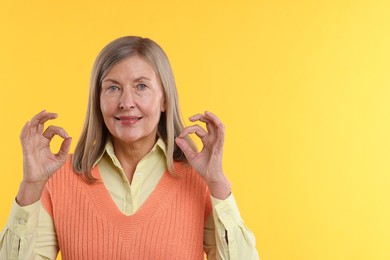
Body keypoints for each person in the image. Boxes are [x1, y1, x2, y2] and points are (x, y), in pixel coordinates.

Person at [0, 36, 259, 259]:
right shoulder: (58, 178)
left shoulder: (199, 179)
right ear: (98, 101)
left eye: (141, 86)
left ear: (164, 99)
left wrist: (217, 183)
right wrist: (31, 185)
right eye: (113, 88)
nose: (126, 102)